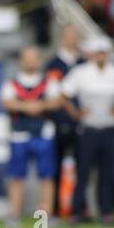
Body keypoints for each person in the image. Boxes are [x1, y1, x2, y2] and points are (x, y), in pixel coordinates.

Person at [0, 47, 60, 228]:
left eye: (34, 58)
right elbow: (6, 101)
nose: (31, 62)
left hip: (44, 134)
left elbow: (56, 101)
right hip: (19, 135)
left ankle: (46, 215)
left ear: (39, 60)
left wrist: (26, 105)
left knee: (46, 177)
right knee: (16, 177)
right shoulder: (12, 82)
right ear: (22, 61)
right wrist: (34, 106)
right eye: (27, 59)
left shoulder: (49, 81)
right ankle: (14, 215)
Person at [60, 36, 114, 226]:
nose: (101, 56)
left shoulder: (113, 72)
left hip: (110, 128)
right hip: (88, 129)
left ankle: (106, 212)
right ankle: (77, 211)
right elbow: (64, 93)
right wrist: (75, 113)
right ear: (92, 54)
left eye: (104, 53)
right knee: (83, 171)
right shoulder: (81, 72)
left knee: (107, 173)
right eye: (98, 52)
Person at [45, 25, 86, 217]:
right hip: (61, 121)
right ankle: (54, 208)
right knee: (56, 165)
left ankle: (80, 207)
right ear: (62, 38)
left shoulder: (84, 61)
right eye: (69, 36)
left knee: (83, 166)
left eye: (75, 36)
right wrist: (73, 111)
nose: (72, 39)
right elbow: (55, 93)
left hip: (83, 122)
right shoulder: (54, 63)